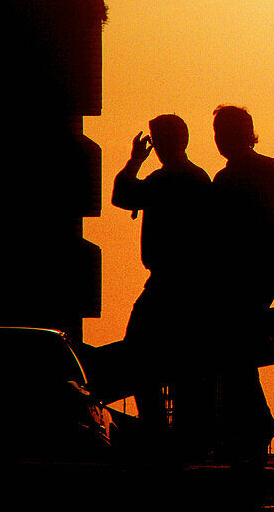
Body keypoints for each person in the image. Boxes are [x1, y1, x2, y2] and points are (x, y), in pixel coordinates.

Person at [210, 105, 274, 467]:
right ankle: (254, 425)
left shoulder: (226, 180)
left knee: (234, 352)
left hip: (240, 277)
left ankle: (253, 426)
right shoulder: (271, 167)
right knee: (240, 352)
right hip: (267, 272)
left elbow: (220, 237)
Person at [111, 114, 211, 446]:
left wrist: (134, 162)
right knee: (187, 366)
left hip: (167, 284)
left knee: (139, 357)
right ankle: (186, 434)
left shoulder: (165, 180)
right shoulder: (198, 179)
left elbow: (123, 194)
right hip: (193, 286)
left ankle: (157, 430)